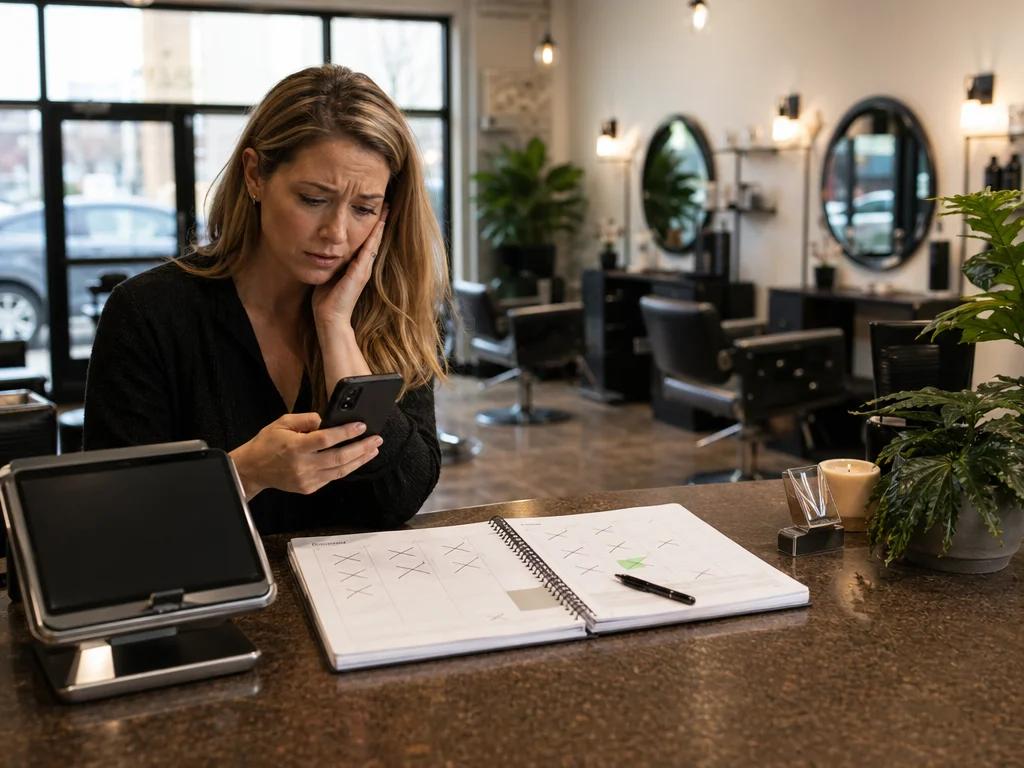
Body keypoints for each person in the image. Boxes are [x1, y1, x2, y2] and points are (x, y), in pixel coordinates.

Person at [83, 65, 449, 535]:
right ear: (255, 175)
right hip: (213, 582)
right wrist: (244, 473)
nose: (336, 233)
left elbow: (401, 497)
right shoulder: (148, 312)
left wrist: (336, 327)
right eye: (313, 199)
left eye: (363, 208)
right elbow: (114, 519)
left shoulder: (392, 310)